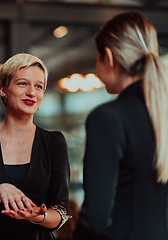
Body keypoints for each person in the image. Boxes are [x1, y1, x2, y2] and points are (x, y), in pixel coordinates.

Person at [73, 12, 168, 240]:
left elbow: (95, 220)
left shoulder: (107, 118)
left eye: (97, 59)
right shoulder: (161, 116)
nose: (97, 73)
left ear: (109, 56)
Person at [0, 53, 71, 240]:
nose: (32, 92)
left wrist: (39, 217)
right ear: (3, 89)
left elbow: (61, 212)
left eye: (39, 86)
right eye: (23, 83)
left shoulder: (54, 143)